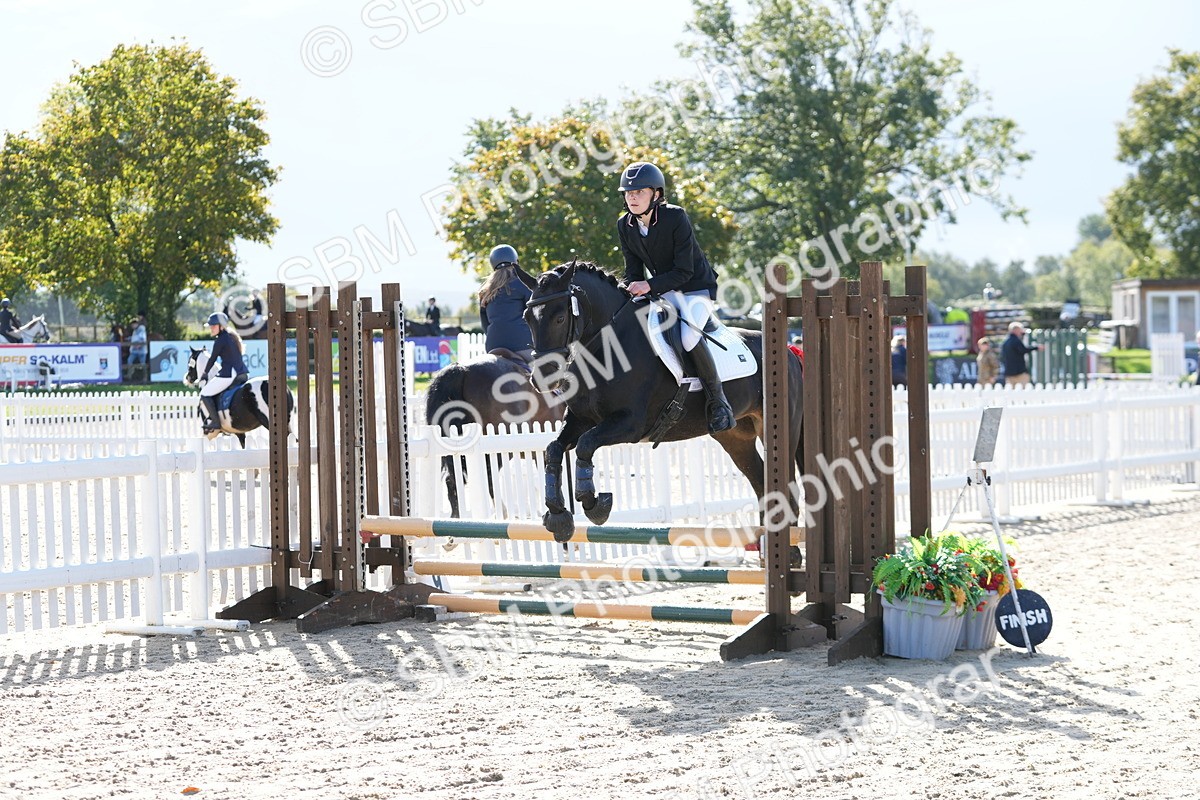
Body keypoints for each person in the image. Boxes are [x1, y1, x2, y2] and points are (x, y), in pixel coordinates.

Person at [616, 161, 733, 433]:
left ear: (656, 194)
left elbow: (684, 270)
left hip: (695, 288)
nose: (632, 197)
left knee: (688, 336)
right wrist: (628, 289)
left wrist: (648, 286)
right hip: (663, 290)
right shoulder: (626, 224)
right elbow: (632, 269)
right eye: (628, 193)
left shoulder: (675, 217)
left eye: (639, 192)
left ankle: (718, 402)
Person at [479, 244, 534, 361]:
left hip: (493, 344)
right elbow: (534, 315)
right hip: (521, 343)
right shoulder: (523, 284)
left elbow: (485, 324)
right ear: (516, 261)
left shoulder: (485, 291)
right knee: (545, 375)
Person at [197, 311, 248, 433]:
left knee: (204, 393)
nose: (211, 328)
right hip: (243, 373)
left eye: (213, 326)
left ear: (221, 326)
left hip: (228, 374)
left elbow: (212, 359)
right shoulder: (231, 337)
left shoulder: (220, 340)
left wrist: (204, 374)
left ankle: (215, 422)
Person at [1001, 321, 1041, 386]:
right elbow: (1023, 350)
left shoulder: (1005, 342)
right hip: (1019, 372)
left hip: (1009, 372)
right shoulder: (1016, 341)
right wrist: (1036, 347)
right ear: (1016, 330)